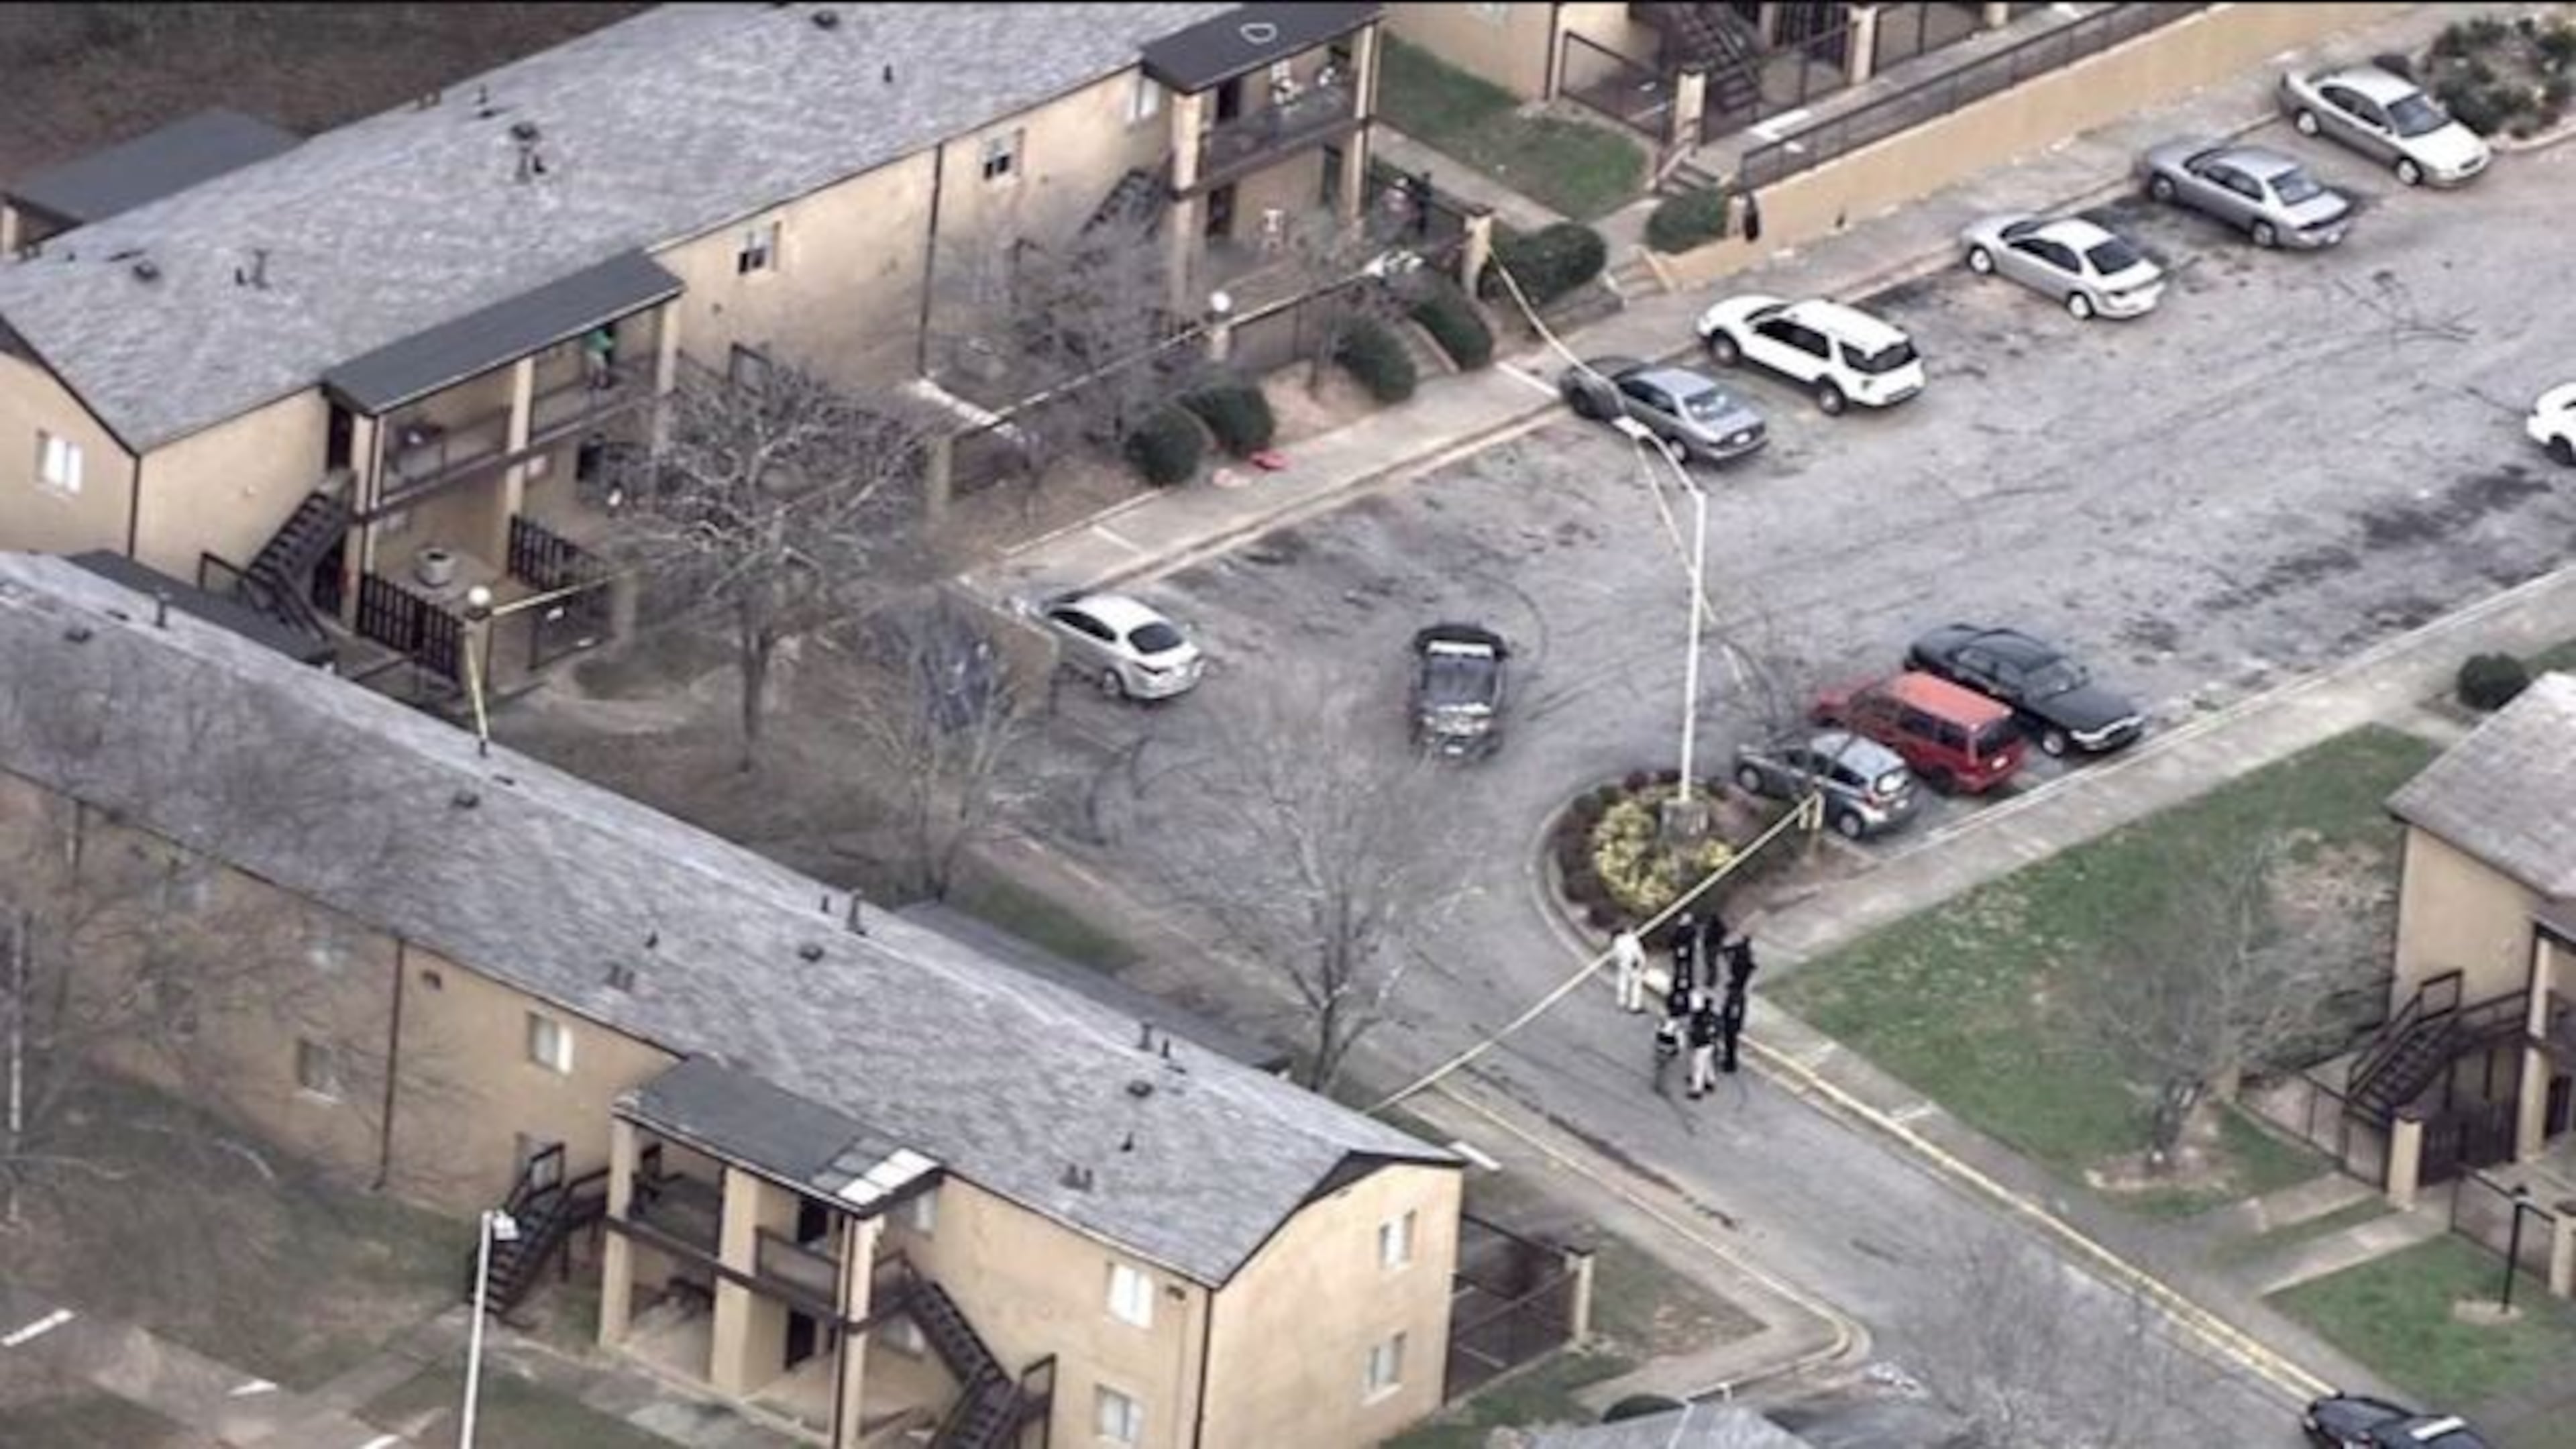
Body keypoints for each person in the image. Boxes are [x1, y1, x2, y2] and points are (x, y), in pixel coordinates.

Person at [1686, 998, 1723, 1099]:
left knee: (1698, 1066)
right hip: (1710, 1044)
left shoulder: (1698, 1015)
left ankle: (1696, 1090)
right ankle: (1711, 1082)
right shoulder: (1715, 1018)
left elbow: (1693, 1028)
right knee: (1707, 1063)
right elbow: (1718, 1031)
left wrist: (1691, 1039)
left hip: (1700, 1044)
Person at [1611, 928, 1648, 1014]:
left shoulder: (1617, 941)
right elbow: (1638, 952)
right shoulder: (1632, 939)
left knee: (1622, 982)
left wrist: (1619, 961)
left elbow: (1616, 954)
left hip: (1623, 964)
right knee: (1636, 985)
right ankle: (1635, 1005)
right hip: (1633, 964)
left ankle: (1621, 1001)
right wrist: (1643, 963)